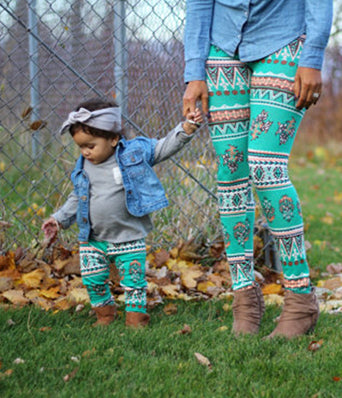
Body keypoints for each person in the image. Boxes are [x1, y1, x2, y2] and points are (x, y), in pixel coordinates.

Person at [183, 0, 333, 338]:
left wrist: (312, 57)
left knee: (266, 167)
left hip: (285, 38)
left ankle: (299, 297)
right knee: (231, 170)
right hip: (221, 46)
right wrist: (194, 71)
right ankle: (244, 296)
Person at [42, 98, 203, 328]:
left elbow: (161, 147)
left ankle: (136, 318)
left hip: (129, 235)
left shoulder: (133, 153)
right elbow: (77, 198)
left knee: (133, 282)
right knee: (93, 280)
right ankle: (105, 314)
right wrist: (58, 219)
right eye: (80, 147)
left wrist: (185, 129)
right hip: (94, 239)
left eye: (91, 145)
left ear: (114, 139)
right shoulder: (84, 167)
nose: (85, 152)